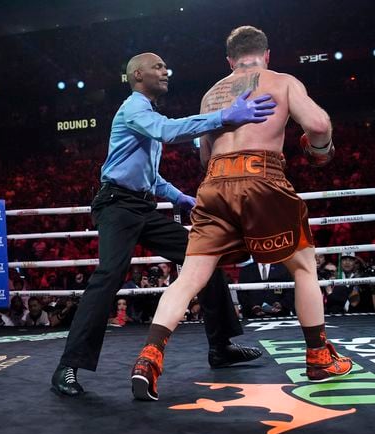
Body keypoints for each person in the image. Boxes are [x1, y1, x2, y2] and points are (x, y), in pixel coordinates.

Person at [130, 26, 352, 401]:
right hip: (262, 176)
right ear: (266, 55)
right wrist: (320, 149)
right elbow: (317, 125)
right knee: (303, 266)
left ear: (230, 61)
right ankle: (318, 356)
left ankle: (148, 359)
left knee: (189, 279)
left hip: (214, 183)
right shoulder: (280, 80)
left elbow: (203, 157)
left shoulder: (210, 95)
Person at [51, 51, 276, 396]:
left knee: (203, 258)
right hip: (117, 206)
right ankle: (68, 366)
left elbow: (149, 176)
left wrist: (180, 197)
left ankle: (221, 347)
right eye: (157, 67)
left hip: (141, 206)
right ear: (138, 75)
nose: (165, 71)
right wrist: (223, 116)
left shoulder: (146, 113)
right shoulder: (134, 108)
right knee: (109, 274)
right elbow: (167, 132)